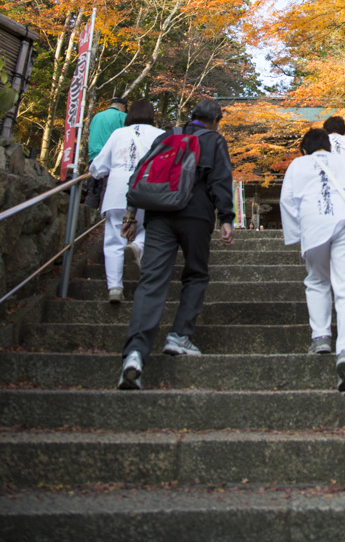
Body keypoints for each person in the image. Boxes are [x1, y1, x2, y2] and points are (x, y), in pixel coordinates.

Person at [117, 98, 235, 390]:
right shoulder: (214, 141)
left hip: (159, 214)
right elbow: (221, 179)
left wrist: (131, 215)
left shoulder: (167, 135)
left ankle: (134, 353)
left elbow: (142, 172)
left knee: (152, 281)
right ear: (215, 120)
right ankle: (179, 336)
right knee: (195, 274)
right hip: (196, 216)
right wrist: (227, 218)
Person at [279, 127, 345, 392]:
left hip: (313, 225)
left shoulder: (297, 164)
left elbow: (287, 202)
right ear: (329, 144)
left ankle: (321, 336)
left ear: (304, 149)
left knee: (316, 280)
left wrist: (297, 234)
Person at [89, 100, 164, 303]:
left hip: (117, 192)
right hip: (148, 192)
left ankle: (114, 287)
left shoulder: (118, 134)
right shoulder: (159, 135)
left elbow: (98, 168)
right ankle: (138, 247)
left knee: (114, 239)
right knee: (151, 228)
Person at [88, 98, 127, 162]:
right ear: (123, 107)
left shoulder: (97, 116)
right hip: (112, 157)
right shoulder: (122, 116)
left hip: (94, 156)